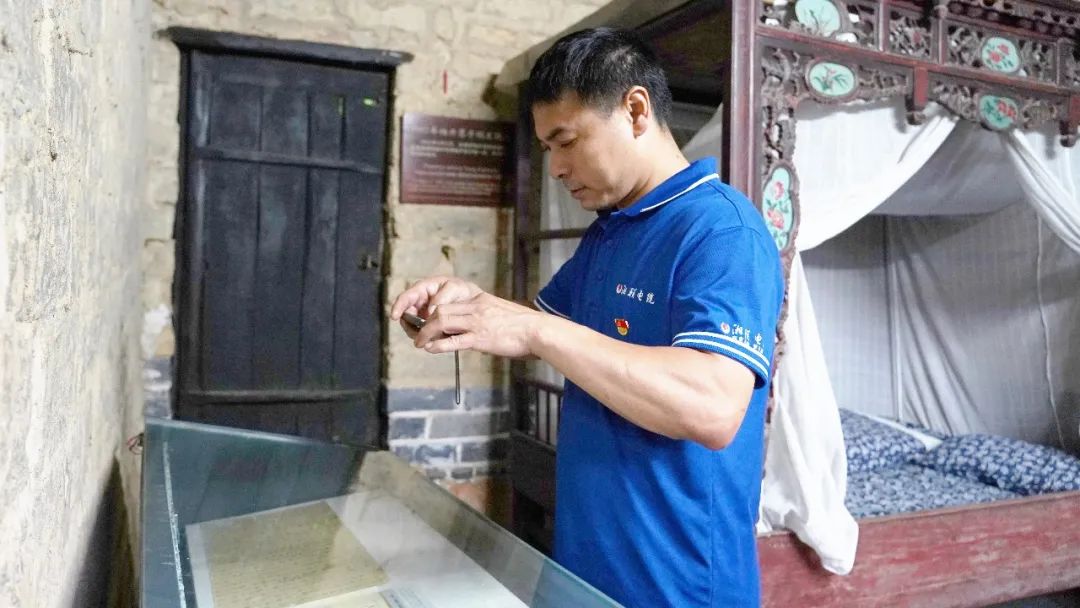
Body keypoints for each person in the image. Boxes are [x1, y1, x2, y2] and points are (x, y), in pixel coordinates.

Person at [390, 27, 783, 608]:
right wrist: (470, 306)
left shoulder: (722, 230)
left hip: (678, 587)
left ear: (636, 110)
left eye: (566, 141)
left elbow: (712, 407)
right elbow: (538, 328)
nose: (555, 167)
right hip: (588, 571)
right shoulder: (610, 232)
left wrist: (536, 329)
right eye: (547, 148)